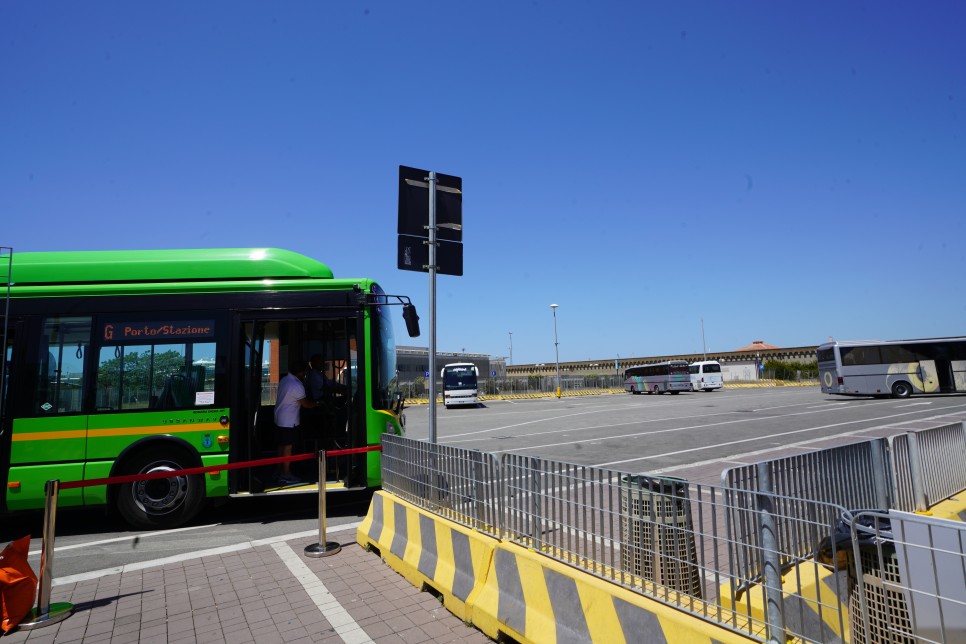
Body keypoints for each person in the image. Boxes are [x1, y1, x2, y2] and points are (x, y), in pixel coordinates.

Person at [273, 358, 319, 485]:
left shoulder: (284, 380)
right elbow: (305, 404)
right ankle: (285, 474)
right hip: (289, 421)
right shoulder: (297, 385)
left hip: (279, 418)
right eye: (304, 372)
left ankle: (278, 470)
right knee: (288, 447)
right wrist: (316, 404)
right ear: (300, 372)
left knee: (281, 445)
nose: (305, 374)